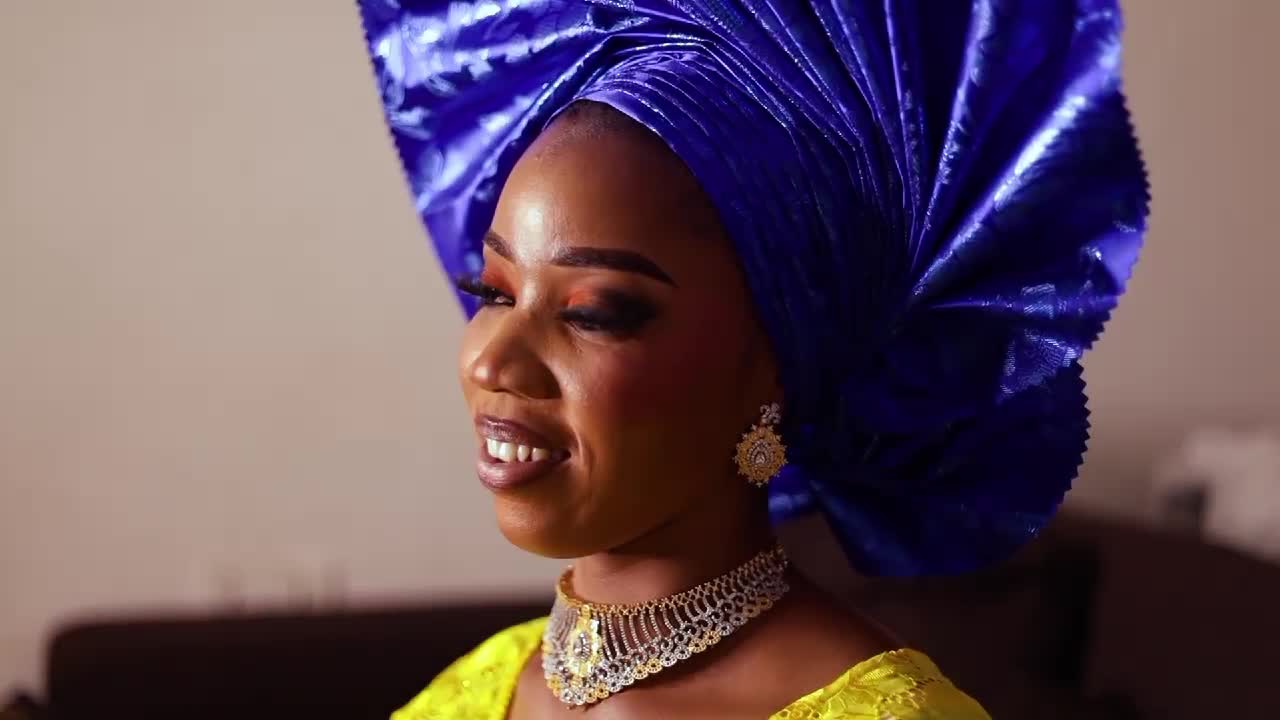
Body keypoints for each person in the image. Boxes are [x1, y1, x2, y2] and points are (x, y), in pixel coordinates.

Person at [356, 0, 1149, 717]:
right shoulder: (475, 690)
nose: (493, 363)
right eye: (492, 291)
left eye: (594, 313)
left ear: (776, 362)